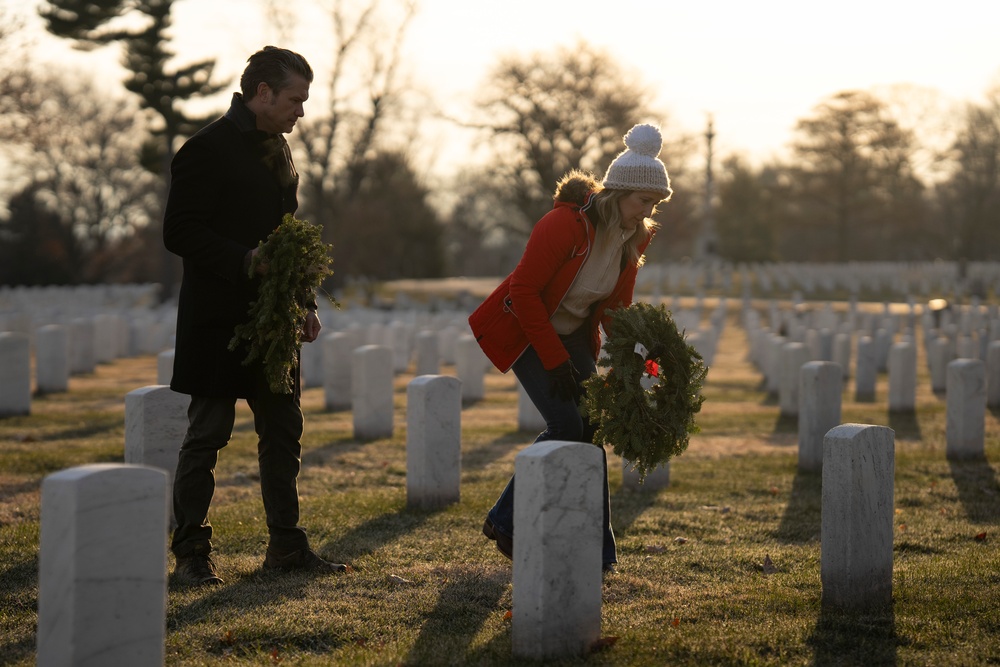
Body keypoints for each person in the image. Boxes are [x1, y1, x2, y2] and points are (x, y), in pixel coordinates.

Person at [163, 46, 346, 586]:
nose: (301, 111)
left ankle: (286, 546)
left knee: (284, 431)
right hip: (218, 318)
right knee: (208, 434)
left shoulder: (280, 150)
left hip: (273, 322)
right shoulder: (205, 150)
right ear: (262, 93)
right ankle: (191, 553)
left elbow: (287, 235)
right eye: (295, 99)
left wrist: (303, 302)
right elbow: (180, 232)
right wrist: (245, 261)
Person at [468, 123, 672, 574]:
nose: (647, 211)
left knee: (590, 430)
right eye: (642, 201)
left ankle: (598, 553)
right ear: (617, 193)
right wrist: (554, 361)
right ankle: (505, 521)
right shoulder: (565, 224)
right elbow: (522, 293)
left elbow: (617, 311)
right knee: (565, 423)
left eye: (655, 204)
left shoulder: (634, 238)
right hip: (527, 329)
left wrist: (641, 365)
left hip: (574, 334)